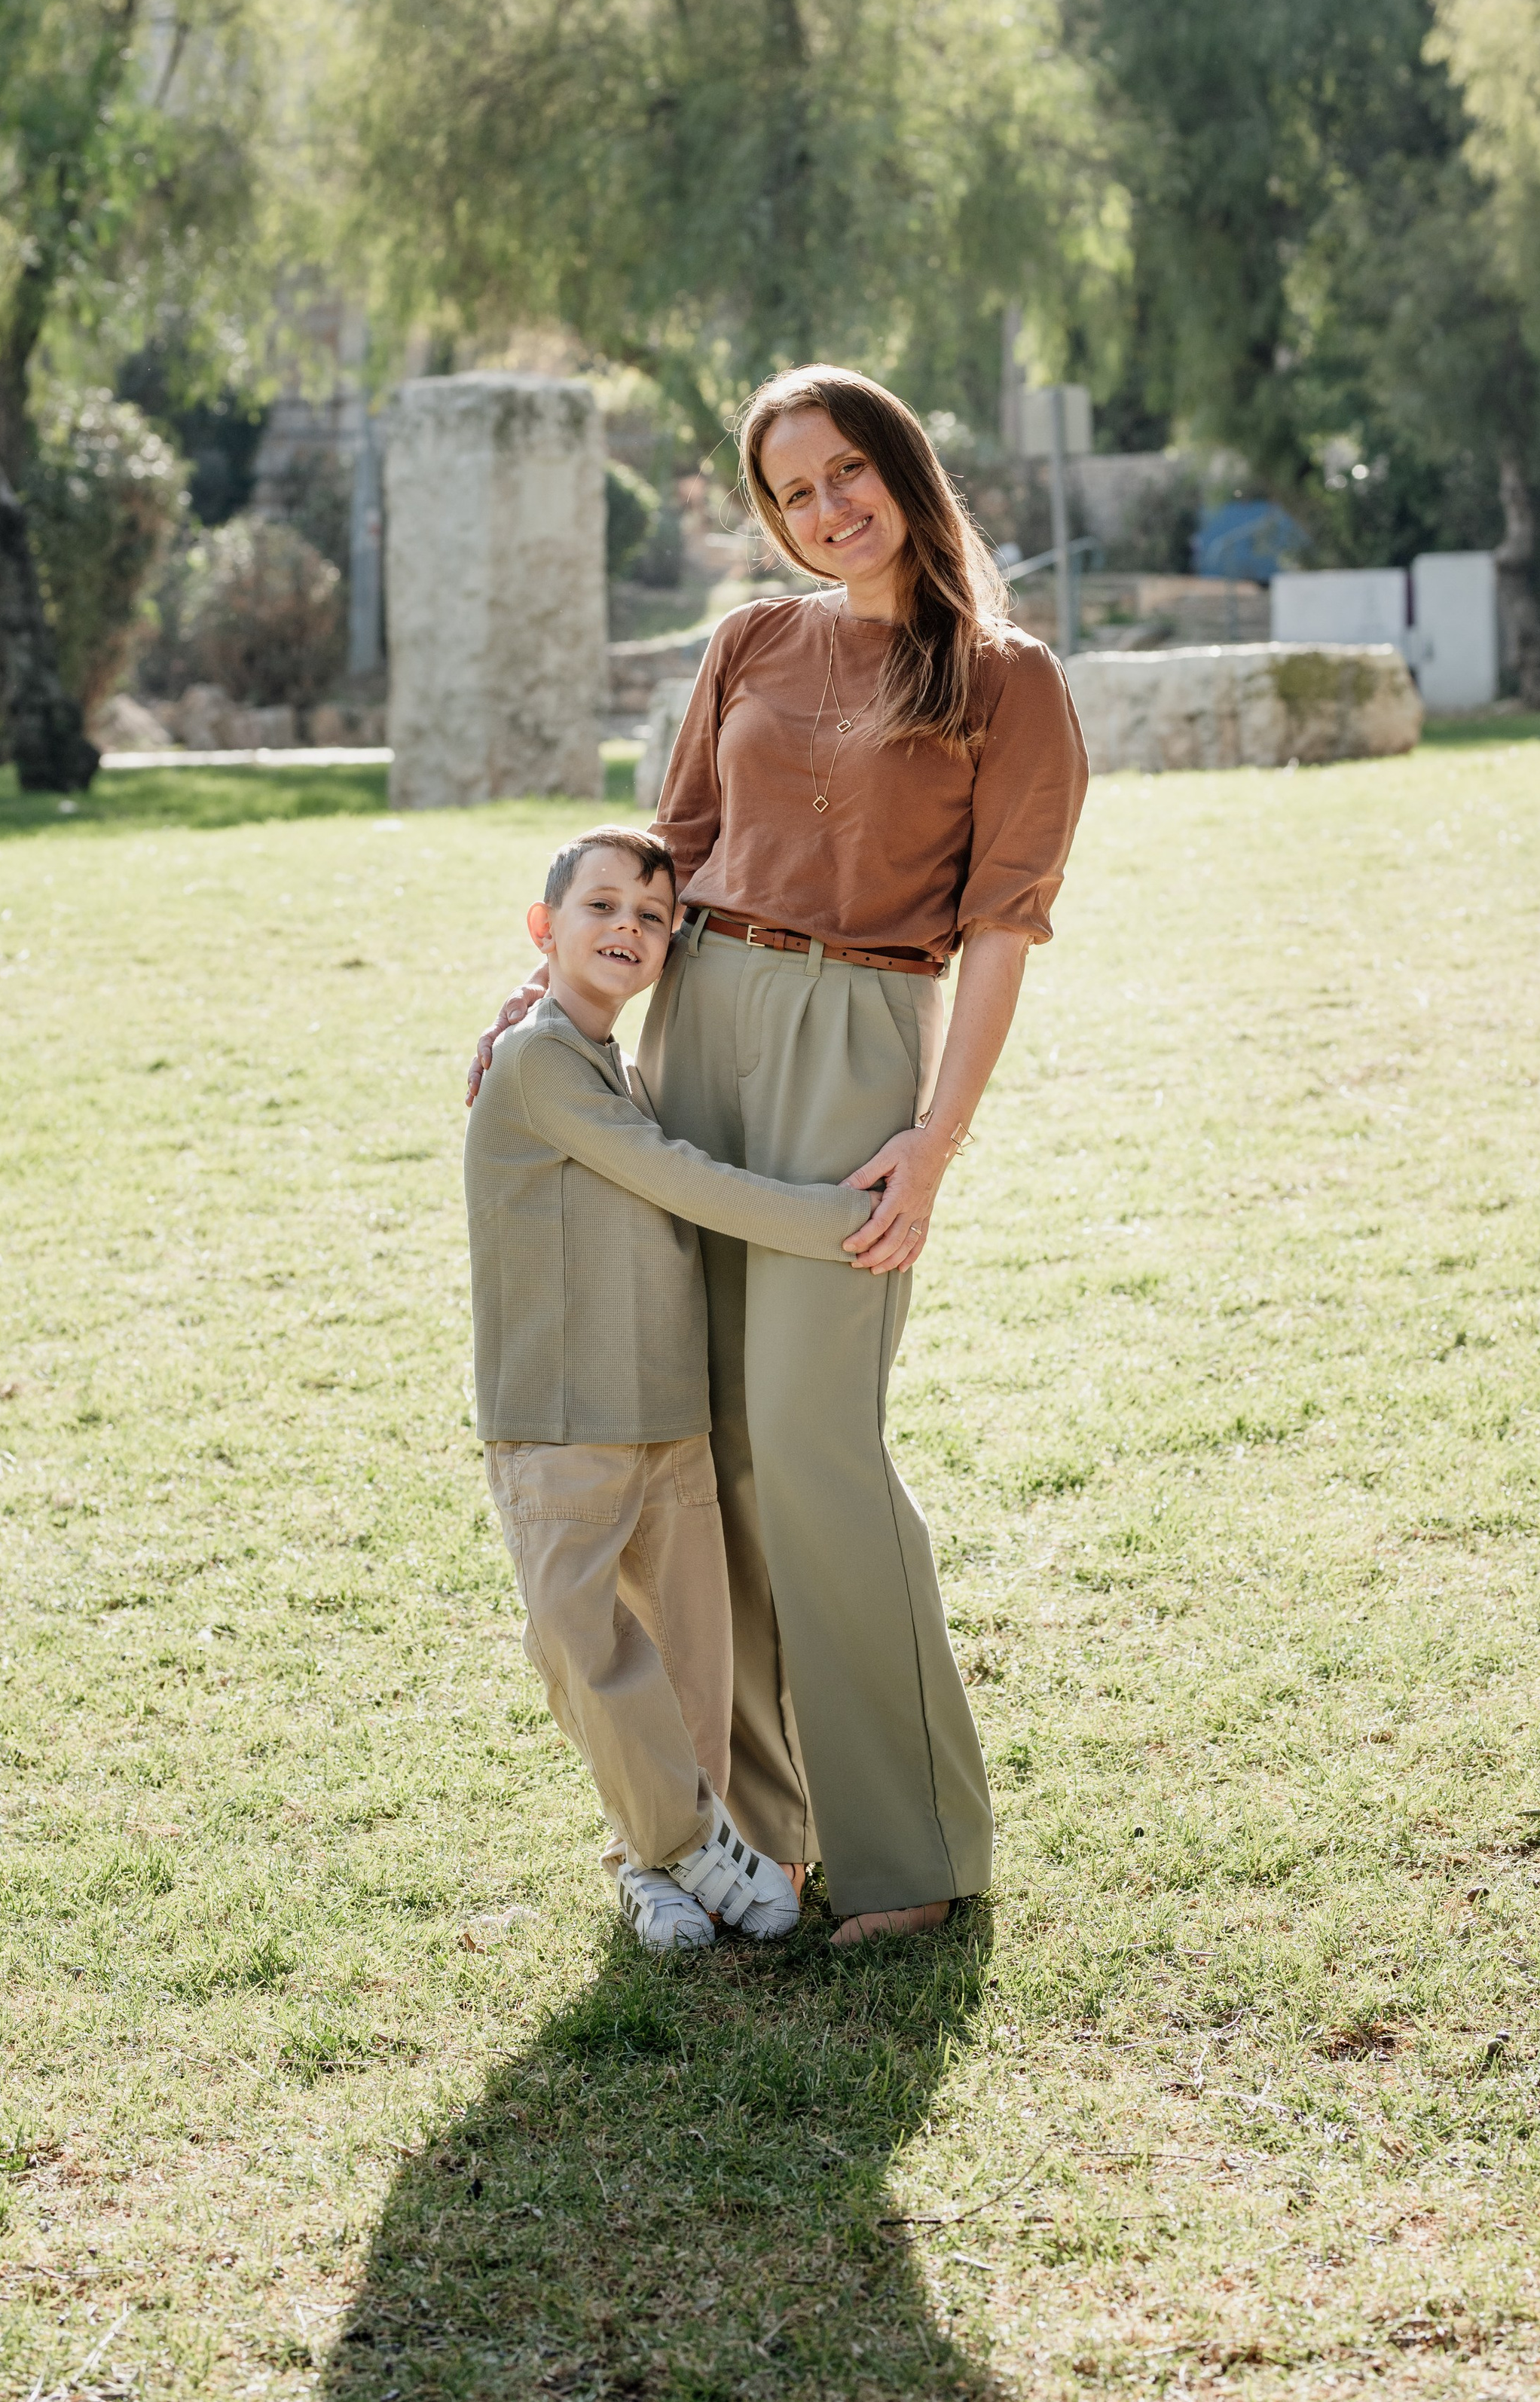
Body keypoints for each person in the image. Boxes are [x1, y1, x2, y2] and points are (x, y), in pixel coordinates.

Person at [470, 368, 1088, 1949]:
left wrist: (933, 1144)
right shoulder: (744, 640)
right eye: (790, 489)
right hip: (698, 1030)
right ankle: (754, 1835)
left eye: (845, 471)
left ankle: (914, 1849)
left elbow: (1002, 935)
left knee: (811, 1446)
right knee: (716, 1461)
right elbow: (657, 862)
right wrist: (555, 1002)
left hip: (859, 1043)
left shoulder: (1007, 682)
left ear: (902, 466)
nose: (825, 507)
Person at [466, 821, 879, 1952]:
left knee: (690, 1666)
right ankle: (678, 1851)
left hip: (668, 1417)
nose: (628, 929)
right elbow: (679, 1182)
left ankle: (659, 1857)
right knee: (588, 1649)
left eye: (652, 917)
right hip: (560, 1420)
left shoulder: (626, 1075)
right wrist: (851, 1222)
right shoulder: (538, 1061)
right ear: (545, 931)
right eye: (601, 908)